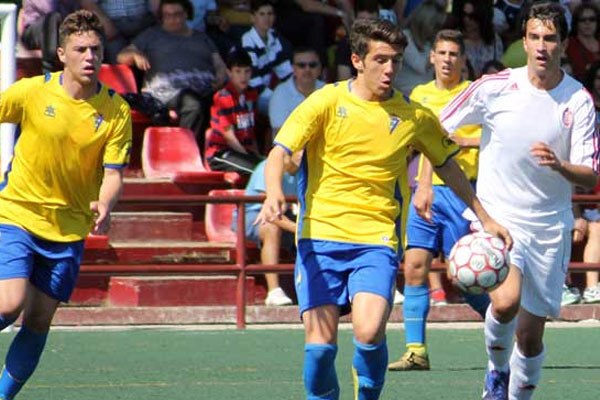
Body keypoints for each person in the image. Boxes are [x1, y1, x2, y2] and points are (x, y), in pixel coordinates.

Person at [256, 18, 511, 400]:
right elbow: (279, 152)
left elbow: (446, 165)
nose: (390, 69)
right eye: (380, 59)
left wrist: (486, 217)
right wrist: (273, 191)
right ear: (357, 60)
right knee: (321, 349)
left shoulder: (413, 115)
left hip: (375, 241)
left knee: (370, 332)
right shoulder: (326, 101)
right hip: (318, 239)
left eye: (395, 60)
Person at [439, 3, 599, 399]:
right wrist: (427, 177)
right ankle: (496, 371)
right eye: (534, 37)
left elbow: (590, 172)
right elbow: (437, 127)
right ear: (523, 41)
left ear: (562, 43)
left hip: (549, 226)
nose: (541, 46)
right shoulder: (494, 87)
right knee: (506, 301)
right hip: (499, 219)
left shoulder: (577, 100)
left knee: (529, 339)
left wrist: (560, 166)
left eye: (549, 38)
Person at [0, 10, 132, 399]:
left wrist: (105, 203)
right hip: (18, 214)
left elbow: (113, 173)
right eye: (81, 49)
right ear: (62, 54)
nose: (90, 56)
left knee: (38, 321)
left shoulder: (115, 110)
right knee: (9, 304)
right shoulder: (31, 92)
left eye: (96, 48)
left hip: (69, 229)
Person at [388, 29, 491, 372]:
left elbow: (498, 139)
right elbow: (418, 142)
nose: (447, 60)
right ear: (431, 57)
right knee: (415, 266)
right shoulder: (418, 94)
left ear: (464, 60)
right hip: (424, 189)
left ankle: (505, 326)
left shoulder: (476, 94)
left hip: (463, 191)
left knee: (467, 276)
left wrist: (462, 140)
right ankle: (416, 350)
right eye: (441, 53)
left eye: (454, 54)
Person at [117, 0, 226, 146]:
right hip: (168, 92)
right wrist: (135, 55)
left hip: (206, 89)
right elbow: (121, 56)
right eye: (167, 15)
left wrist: (220, 75)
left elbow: (219, 64)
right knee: (193, 105)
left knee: (228, 100)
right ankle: (188, 153)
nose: (172, 19)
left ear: (187, 14)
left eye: (177, 14)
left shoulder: (202, 37)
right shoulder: (151, 35)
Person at [234, 152, 303, 306]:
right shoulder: (267, 167)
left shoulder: (305, 172)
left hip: (288, 215)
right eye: (299, 150)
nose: (302, 154)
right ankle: (274, 291)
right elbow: (270, 213)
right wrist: (297, 229)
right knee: (271, 227)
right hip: (253, 215)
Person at [206, 49, 263, 174]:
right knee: (258, 171)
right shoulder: (224, 96)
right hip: (221, 153)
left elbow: (251, 132)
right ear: (229, 72)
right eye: (238, 71)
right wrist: (249, 157)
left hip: (243, 151)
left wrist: (256, 155)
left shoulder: (251, 94)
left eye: (247, 71)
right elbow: (229, 136)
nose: (243, 76)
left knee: (269, 166)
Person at [241, 0, 293, 115]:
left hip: (267, 93)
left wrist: (295, 90)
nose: (267, 18)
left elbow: (285, 71)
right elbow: (253, 81)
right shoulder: (247, 41)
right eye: (262, 14)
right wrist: (279, 98)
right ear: (253, 17)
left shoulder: (273, 36)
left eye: (270, 14)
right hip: (250, 95)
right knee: (285, 109)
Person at [393, 0, 447, 95]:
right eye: (436, 25)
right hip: (406, 93)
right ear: (425, 23)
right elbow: (421, 66)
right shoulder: (405, 38)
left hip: (427, 93)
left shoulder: (430, 41)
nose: (437, 29)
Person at [79, 0, 159, 64]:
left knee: (155, 52)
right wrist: (106, 25)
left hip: (144, 22)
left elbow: (155, 6)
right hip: (111, 24)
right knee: (115, 56)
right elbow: (88, 3)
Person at [269, 47, 325, 136]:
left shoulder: (327, 90)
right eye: (302, 65)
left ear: (319, 69)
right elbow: (280, 133)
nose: (307, 69)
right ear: (293, 69)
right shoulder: (280, 93)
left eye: (312, 65)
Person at [19, 0, 80, 73]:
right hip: (33, 34)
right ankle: (48, 70)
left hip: (60, 32)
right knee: (52, 18)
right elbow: (50, 8)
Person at [566, 3, 600, 82]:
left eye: (592, 19)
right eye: (582, 20)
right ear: (576, 22)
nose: (587, 23)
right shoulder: (569, 44)